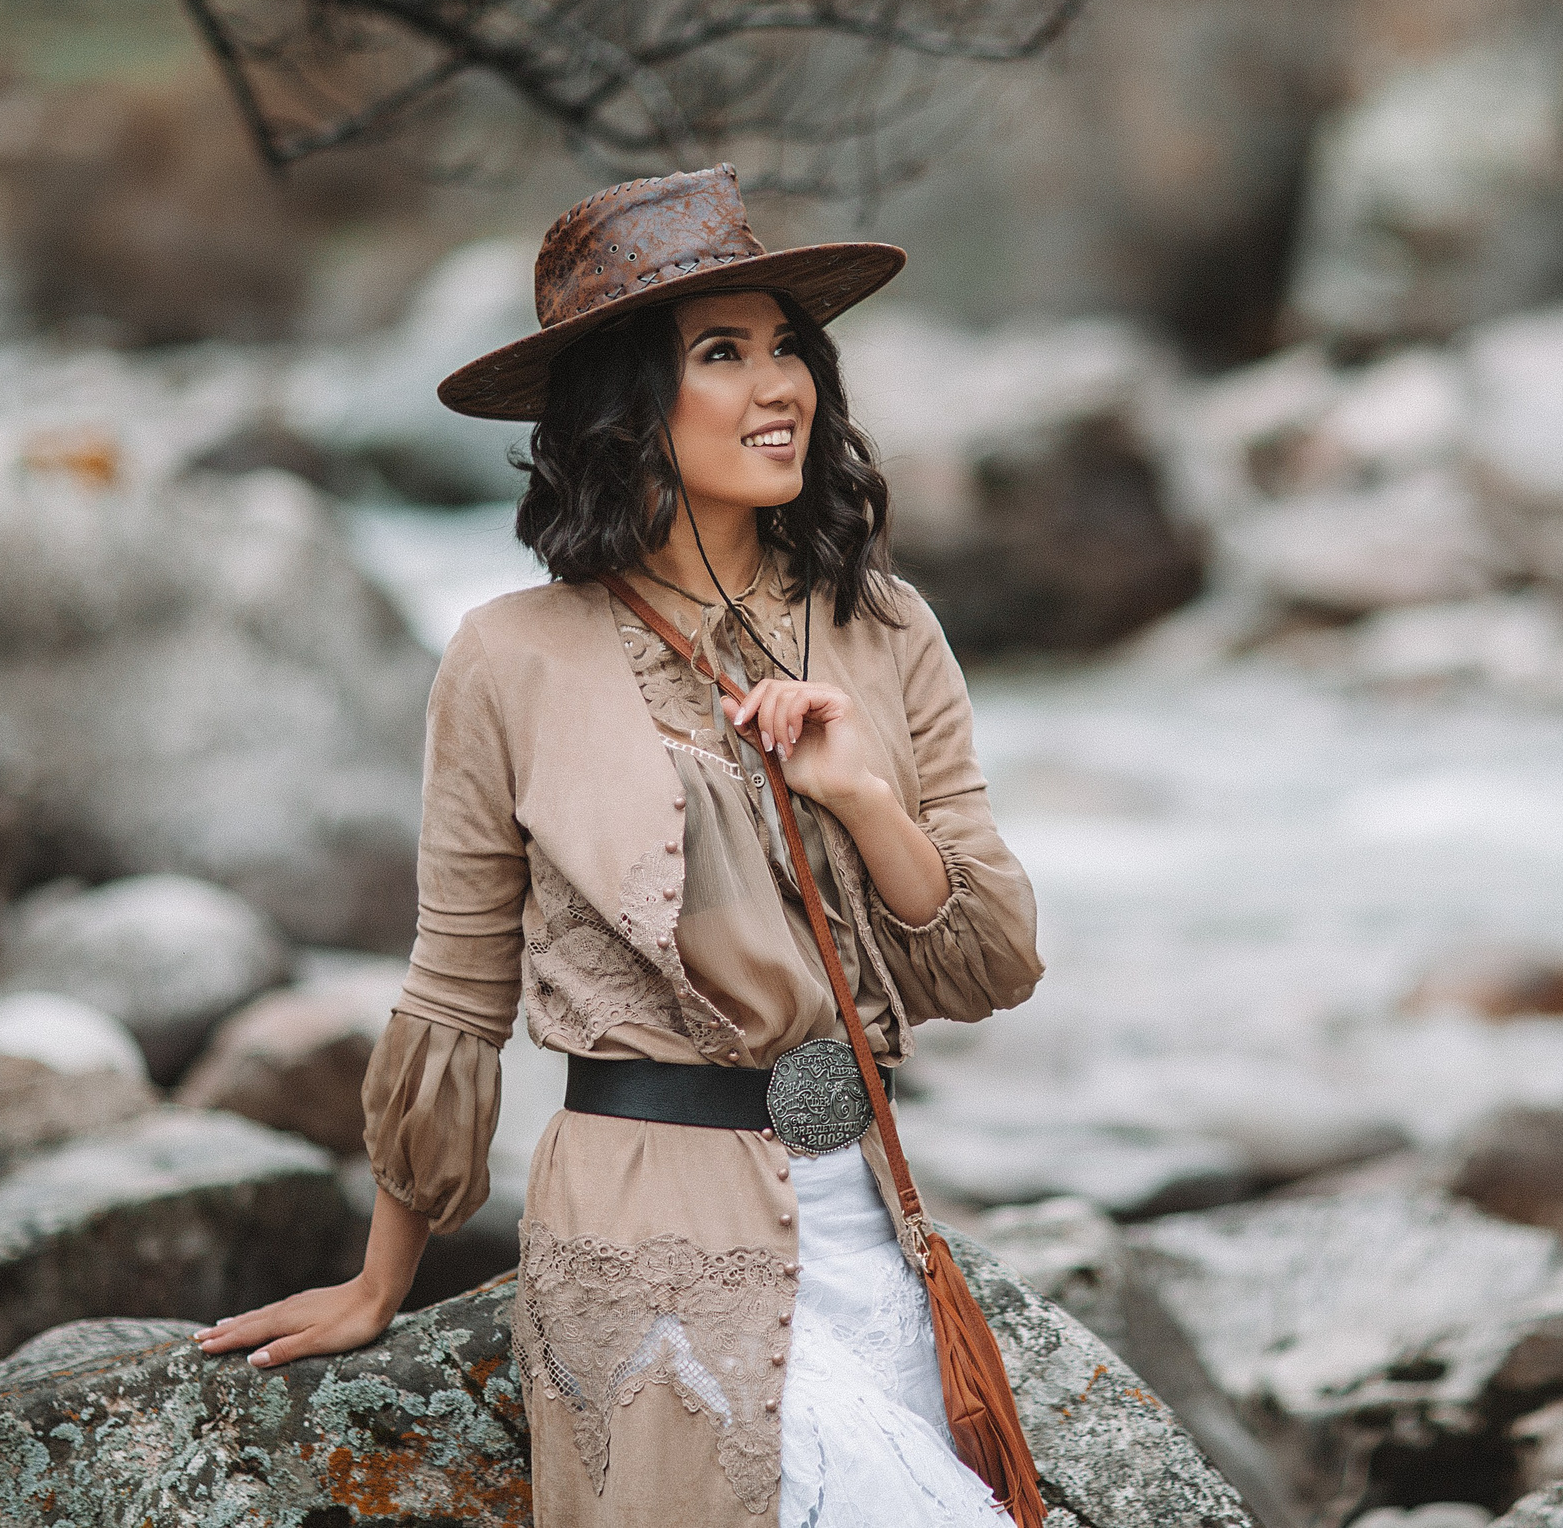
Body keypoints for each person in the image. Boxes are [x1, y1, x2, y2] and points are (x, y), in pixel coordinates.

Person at [195, 165, 1044, 1527]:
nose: (779, 388)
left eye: (788, 350)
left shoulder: (885, 629)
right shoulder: (506, 659)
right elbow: (457, 987)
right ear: (625, 411)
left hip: (872, 1222)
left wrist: (867, 801)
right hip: (643, 1234)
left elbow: (989, 963)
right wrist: (380, 1281)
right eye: (722, 354)